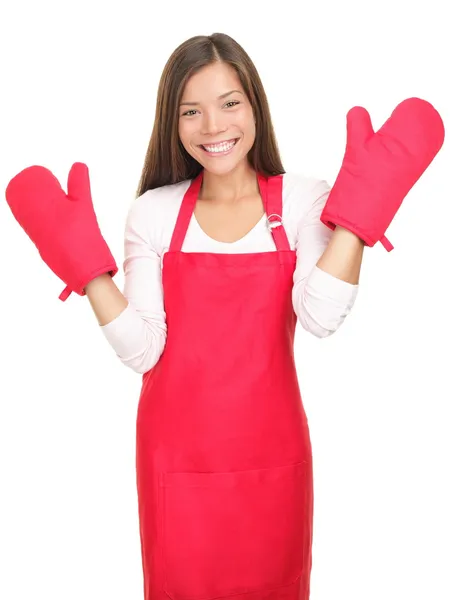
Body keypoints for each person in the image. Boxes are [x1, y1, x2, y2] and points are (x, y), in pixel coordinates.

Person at [5, 32, 444, 600]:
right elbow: (143, 351)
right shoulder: (155, 213)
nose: (213, 126)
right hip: (176, 467)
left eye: (230, 103)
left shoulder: (303, 200)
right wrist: (90, 276)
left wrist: (360, 219)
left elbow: (319, 318)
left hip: (273, 464)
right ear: (174, 122)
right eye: (192, 110)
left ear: (255, 106)